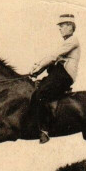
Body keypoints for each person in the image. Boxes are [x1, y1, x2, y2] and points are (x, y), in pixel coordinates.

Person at [29, 14, 81, 144]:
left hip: (65, 75)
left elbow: (53, 57)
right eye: (60, 27)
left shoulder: (72, 40)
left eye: (62, 26)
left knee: (41, 94)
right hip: (58, 74)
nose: (60, 29)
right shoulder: (67, 42)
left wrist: (36, 70)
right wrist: (37, 69)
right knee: (35, 91)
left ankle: (45, 130)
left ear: (70, 26)